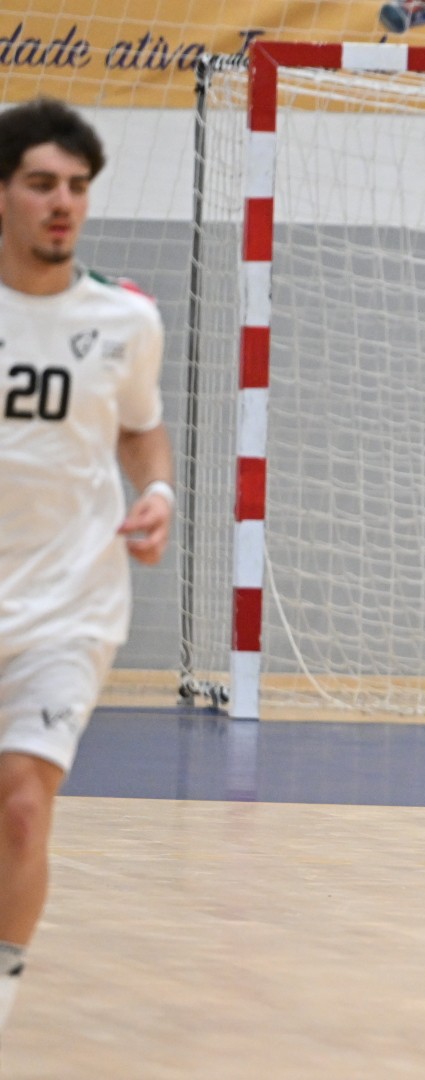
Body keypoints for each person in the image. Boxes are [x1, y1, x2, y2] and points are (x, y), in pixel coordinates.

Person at [0, 99, 172, 1034]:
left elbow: (141, 427)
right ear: (3, 195)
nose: (61, 202)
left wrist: (159, 493)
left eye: (76, 186)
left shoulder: (125, 319)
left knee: (24, 808)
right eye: (40, 184)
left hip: (71, 603)